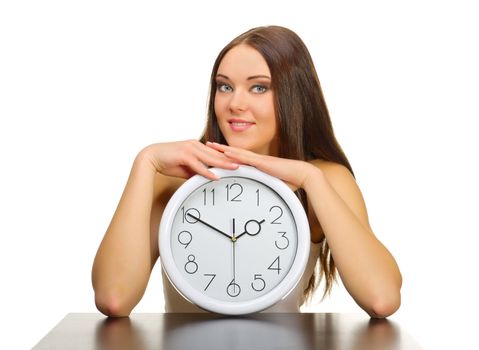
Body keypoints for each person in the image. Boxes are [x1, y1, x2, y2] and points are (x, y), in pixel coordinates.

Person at [91, 25, 402, 318]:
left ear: (294, 95)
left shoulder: (326, 179)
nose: (235, 103)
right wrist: (145, 163)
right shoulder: (174, 177)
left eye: (258, 87)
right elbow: (114, 298)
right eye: (225, 86)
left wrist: (310, 179)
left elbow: (382, 298)